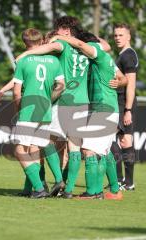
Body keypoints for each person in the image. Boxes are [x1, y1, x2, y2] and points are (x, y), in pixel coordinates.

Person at [51, 31, 127, 200]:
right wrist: (119, 82)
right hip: (108, 108)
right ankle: (114, 190)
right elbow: (123, 79)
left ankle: (93, 192)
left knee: (89, 150)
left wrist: (59, 37)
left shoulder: (97, 54)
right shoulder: (105, 59)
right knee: (105, 151)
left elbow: (80, 45)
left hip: (103, 109)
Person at [12, 28, 65, 198]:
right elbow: (61, 85)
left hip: (28, 110)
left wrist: (18, 109)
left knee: (20, 150)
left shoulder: (23, 61)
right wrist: (49, 99)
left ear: (24, 42)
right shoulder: (54, 61)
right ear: (42, 41)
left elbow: (16, 92)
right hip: (45, 110)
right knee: (35, 148)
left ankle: (39, 188)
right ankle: (40, 187)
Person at [113, 23, 138, 190]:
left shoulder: (128, 55)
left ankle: (126, 182)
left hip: (124, 104)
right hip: (120, 103)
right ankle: (123, 181)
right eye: (115, 35)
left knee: (124, 140)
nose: (117, 38)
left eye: (121, 35)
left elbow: (131, 84)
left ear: (128, 36)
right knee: (120, 140)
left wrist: (127, 109)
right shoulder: (122, 54)